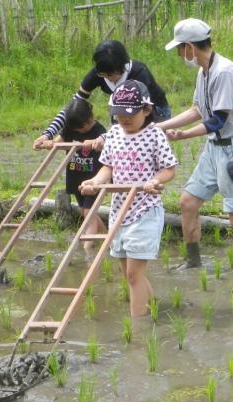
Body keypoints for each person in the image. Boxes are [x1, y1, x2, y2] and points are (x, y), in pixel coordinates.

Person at [157, 18, 233, 272]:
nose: (179, 54)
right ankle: (193, 262)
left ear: (189, 47)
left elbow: (218, 120)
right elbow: (198, 109)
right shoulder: (203, 71)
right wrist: (159, 127)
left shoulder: (224, 72)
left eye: (179, 49)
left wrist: (183, 135)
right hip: (214, 149)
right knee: (188, 202)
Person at [79, 80, 178, 317]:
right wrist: (95, 182)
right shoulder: (113, 134)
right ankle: (155, 312)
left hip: (145, 209)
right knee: (130, 275)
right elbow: (107, 168)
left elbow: (169, 169)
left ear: (146, 110)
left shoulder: (155, 134)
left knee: (134, 274)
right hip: (119, 211)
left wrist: (156, 181)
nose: (124, 119)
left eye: (130, 114)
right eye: (119, 114)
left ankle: (138, 329)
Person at [33, 40, 171, 148]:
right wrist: (48, 134)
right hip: (124, 111)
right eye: (102, 74)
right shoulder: (97, 74)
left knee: (141, 149)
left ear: (122, 67)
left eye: (110, 74)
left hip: (153, 112)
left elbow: (142, 115)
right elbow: (73, 107)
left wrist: (107, 137)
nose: (107, 78)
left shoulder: (139, 74)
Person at [33, 98, 107, 257]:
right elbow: (58, 142)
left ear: (91, 118)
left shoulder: (99, 130)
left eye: (85, 126)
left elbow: (107, 142)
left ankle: (88, 250)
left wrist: (95, 142)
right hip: (76, 176)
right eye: (78, 129)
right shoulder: (70, 128)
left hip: (94, 179)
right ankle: (107, 238)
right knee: (85, 212)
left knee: (89, 212)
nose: (82, 130)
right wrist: (48, 143)